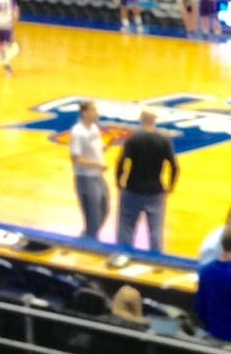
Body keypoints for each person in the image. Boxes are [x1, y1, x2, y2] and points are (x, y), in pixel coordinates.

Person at [114, 108, 178, 254]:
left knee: (126, 228)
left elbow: (121, 162)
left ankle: (122, 257)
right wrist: (171, 186)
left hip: (132, 189)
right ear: (154, 121)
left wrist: (119, 182)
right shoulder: (163, 140)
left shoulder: (133, 139)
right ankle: (157, 263)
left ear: (141, 120)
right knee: (155, 231)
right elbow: (174, 166)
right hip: (155, 190)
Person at [69, 100, 109, 242]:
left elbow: (96, 148)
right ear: (85, 113)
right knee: (93, 215)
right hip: (85, 178)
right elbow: (76, 158)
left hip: (97, 176)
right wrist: (97, 164)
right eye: (93, 110)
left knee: (104, 210)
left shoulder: (94, 128)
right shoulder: (78, 132)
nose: (97, 113)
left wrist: (105, 147)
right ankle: (89, 242)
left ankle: (86, 237)